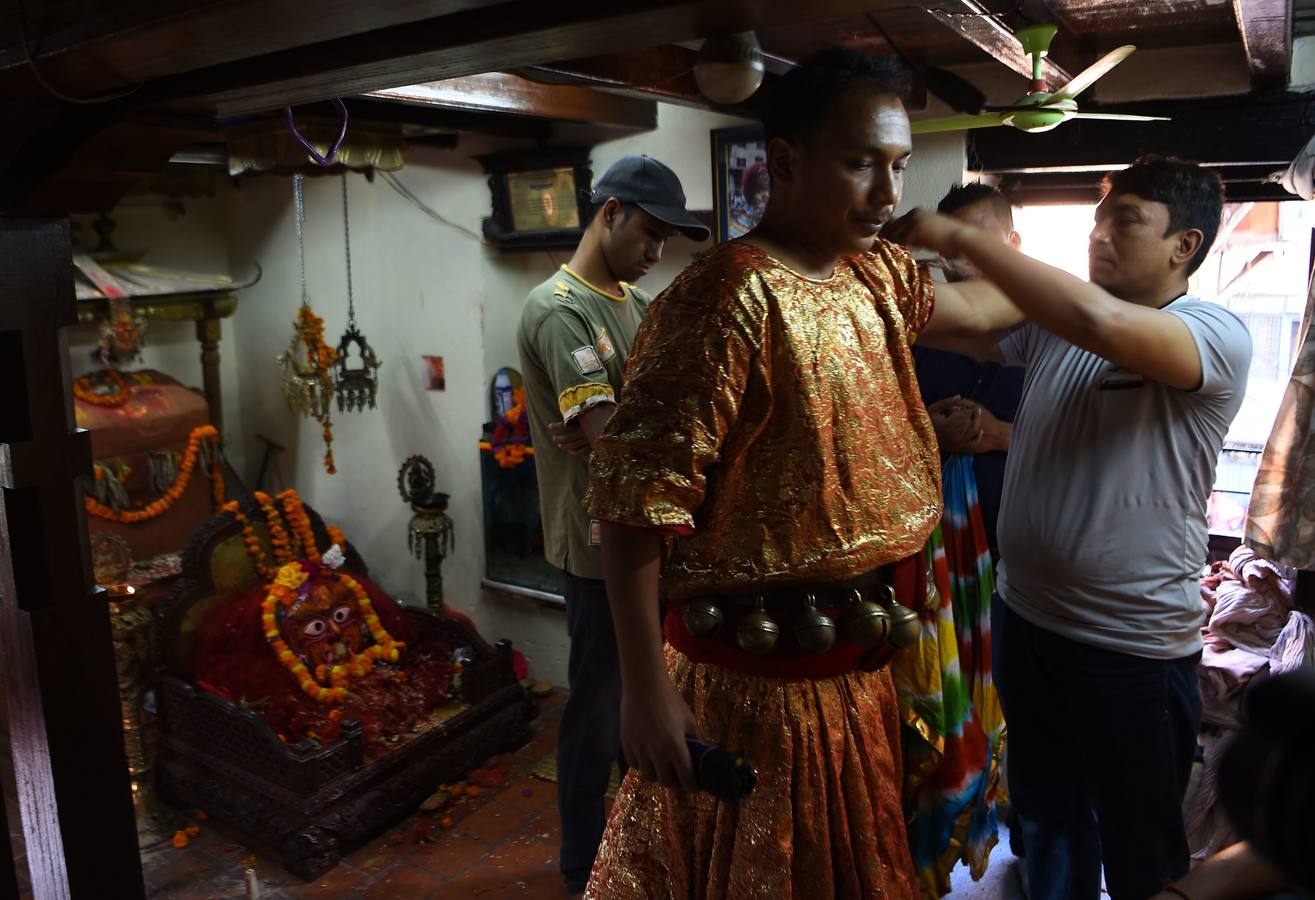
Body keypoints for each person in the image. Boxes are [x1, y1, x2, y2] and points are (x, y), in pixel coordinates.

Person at [582, 47, 1027, 898]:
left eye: (897, 167)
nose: (887, 195)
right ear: (784, 162)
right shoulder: (724, 295)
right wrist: (640, 691)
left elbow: (982, 309)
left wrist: (970, 241)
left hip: (852, 675)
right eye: (861, 163)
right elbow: (633, 506)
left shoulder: (878, 273)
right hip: (750, 690)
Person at [885, 155, 1253, 899]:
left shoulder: (1209, 332)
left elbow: (1095, 318)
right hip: (1027, 621)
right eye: (1096, 222)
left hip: (1131, 643)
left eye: (1124, 221)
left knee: (1139, 842)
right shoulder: (1055, 327)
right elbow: (954, 318)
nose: (1099, 238)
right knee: (1047, 821)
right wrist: (862, 268)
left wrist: (959, 235)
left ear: (1184, 245)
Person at [516, 154, 709, 899]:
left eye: (666, 240)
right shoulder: (559, 307)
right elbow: (607, 433)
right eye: (649, 233)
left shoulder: (630, 301)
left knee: (645, 707)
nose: (656, 252)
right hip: (597, 549)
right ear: (609, 213)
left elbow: (658, 414)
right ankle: (579, 871)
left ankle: (634, 859)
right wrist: (623, 426)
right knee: (599, 712)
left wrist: (633, 424)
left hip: (648, 539)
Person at [914, 183, 1023, 563]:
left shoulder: (1053, 331)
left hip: (1025, 544)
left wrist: (1003, 436)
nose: (961, 262)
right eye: (951, 249)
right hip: (931, 545)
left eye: (978, 244)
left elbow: (1086, 442)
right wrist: (927, 431)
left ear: (1014, 244)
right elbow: (878, 428)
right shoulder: (920, 335)